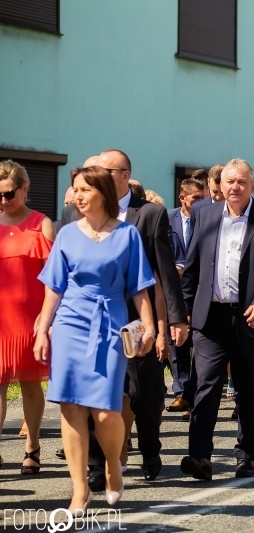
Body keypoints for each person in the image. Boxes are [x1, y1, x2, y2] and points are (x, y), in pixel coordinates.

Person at [61, 149, 189, 488]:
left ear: (122, 175)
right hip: (91, 323)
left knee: (144, 394)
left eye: (102, 171)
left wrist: (172, 321)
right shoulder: (74, 214)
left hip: (135, 322)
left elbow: (163, 272)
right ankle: (96, 465)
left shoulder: (149, 214)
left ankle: (150, 450)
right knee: (95, 394)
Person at [34, 166, 156, 514]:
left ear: (103, 192)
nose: (78, 196)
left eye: (85, 189)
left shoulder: (127, 234)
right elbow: (54, 288)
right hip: (70, 323)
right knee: (70, 406)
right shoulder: (67, 234)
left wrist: (149, 326)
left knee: (106, 410)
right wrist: (42, 329)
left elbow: (140, 288)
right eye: (75, 190)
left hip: (109, 324)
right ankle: (80, 489)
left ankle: (114, 464)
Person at [180, 159, 254, 481]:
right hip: (210, 317)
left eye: (241, 182)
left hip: (249, 317)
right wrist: (184, 310)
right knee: (206, 386)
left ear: (251, 186)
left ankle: (246, 455)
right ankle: (200, 456)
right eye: (229, 181)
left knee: (249, 388)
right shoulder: (204, 215)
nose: (235, 187)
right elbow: (192, 266)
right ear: (220, 185)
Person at [0, 160, 55, 474]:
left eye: (9, 193)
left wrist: (48, 320)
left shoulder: (41, 224)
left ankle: (32, 446)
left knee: (30, 384)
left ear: (24, 189)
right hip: (0, 319)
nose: (4, 200)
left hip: (29, 318)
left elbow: (54, 278)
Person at [165, 177, 206, 415]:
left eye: (203, 198)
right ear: (182, 198)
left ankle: (194, 392)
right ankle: (181, 393)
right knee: (176, 343)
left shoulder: (208, 219)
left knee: (199, 344)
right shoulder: (167, 219)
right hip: (175, 290)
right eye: (196, 198)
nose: (201, 202)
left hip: (200, 290)